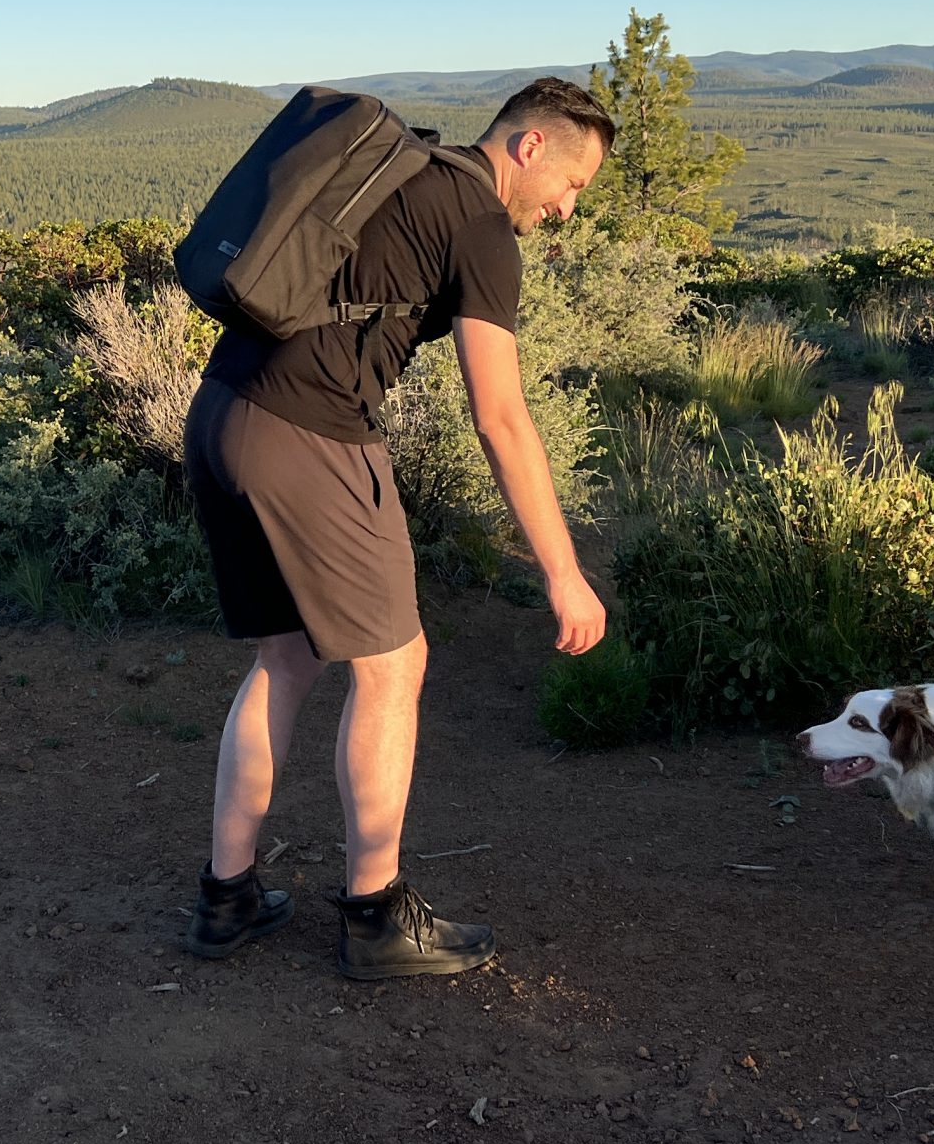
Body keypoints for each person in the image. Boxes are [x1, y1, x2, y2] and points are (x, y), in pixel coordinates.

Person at [179, 76, 614, 978]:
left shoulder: (396, 171)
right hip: (309, 436)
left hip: (221, 413)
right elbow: (500, 414)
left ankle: (227, 901)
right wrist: (562, 570)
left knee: (289, 655)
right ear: (529, 147)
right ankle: (377, 919)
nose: (568, 209)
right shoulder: (480, 222)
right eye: (571, 185)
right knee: (393, 665)